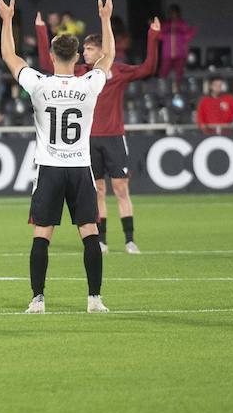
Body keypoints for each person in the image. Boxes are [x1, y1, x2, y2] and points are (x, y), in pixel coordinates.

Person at [0, 0, 114, 315]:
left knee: (42, 234)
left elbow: (10, 56)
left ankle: (38, 299)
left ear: (50, 55)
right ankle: (94, 299)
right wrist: (105, 20)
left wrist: (8, 21)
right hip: (80, 167)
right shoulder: (90, 83)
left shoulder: (39, 84)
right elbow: (108, 58)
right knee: (89, 232)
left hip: (49, 167)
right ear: (78, 57)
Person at [38, 13, 160, 254]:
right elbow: (46, 63)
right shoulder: (80, 73)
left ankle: (129, 240)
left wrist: (153, 36)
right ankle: (101, 240)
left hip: (114, 137)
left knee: (121, 189)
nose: (85, 53)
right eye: (83, 48)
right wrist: (41, 31)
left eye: (90, 49)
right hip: (88, 141)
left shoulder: (118, 71)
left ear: (103, 52)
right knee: (99, 190)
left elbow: (148, 68)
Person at [159, 4, 197, 79]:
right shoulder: (165, 25)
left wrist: (193, 30)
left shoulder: (183, 24)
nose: (173, 15)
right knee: (163, 73)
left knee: (179, 74)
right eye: (171, 13)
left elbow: (188, 36)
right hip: (167, 55)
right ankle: (162, 88)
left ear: (178, 14)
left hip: (180, 54)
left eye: (175, 13)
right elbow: (160, 36)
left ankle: (178, 89)